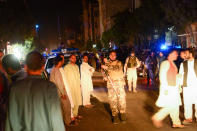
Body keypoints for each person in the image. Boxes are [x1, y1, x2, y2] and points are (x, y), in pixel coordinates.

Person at [5, 51, 65, 131]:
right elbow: (55, 117)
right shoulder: (50, 87)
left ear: (25, 67)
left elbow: (11, 119)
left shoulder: (14, 88)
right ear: (43, 67)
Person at [151, 49, 184, 128]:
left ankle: (176, 122)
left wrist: (179, 85)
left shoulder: (172, 63)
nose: (177, 55)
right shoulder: (165, 63)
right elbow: (162, 76)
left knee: (175, 105)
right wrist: (165, 88)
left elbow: (175, 76)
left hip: (174, 87)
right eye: (175, 54)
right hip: (169, 88)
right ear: (170, 54)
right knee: (171, 105)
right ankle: (157, 117)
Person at [50, 54, 77, 126]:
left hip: (56, 92)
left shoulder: (53, 70)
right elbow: (59, 84)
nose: (63, 62)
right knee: (66, 106)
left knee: (62, 108)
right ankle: (68, 121)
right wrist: (63, 94)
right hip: (60, 92)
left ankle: (63, 121)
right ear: (60, 61)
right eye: (62, 60)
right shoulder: (57, 71)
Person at [101, 51, 126, 124]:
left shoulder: (119, 63)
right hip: (111, 85)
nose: (113, 56)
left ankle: (122, 113)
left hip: (119, 83)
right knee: (112, 101)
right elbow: (104, 75)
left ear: (116, 56)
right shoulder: (106, 64)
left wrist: (107, 66)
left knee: (122, 99)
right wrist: (104, 72)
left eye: (114, 55)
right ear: (109, 56)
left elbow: (117, 69)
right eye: (111, 55)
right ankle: (114, 115)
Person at [179, 48, 197, 124]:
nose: (185, 54)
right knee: (187, 102)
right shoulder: (183, 64)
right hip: (186, 86)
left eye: (186, 53)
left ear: (191, 54)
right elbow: (180, 75)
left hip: (196, 85)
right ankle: (188, 118)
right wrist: (179, 85)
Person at [64, 54, 82, 119]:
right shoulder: (66, 67)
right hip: (70, 86)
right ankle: (71, 115)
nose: (74, 59)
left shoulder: (77, 66)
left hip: (77, 86)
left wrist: (80, 84)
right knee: (72, 101)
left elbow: (78, 76)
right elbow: (65, 78)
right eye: (72, 58)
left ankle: (76, 114)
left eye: (75, 58)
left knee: (77, 100)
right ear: (69, 59)